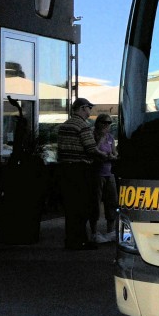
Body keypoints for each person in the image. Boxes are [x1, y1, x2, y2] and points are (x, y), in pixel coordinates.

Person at [56, 98, 101, 250]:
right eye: (89, 107)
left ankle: (71, 240)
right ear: (82, 108)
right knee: (83, 207)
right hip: (80, 170)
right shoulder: (83, 126)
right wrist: (107, 156)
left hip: (65, 169)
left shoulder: (64, 126)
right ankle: (81, 240)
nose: (90, 110)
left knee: (71, 207)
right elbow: (91, 149)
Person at [92, 114, 118, 244]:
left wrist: (113, 156)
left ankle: (110, 231)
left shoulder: (110, 137)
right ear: (99, 123)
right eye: (105, 123)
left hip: (109, 171)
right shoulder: (94, 136)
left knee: (112, 201)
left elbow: (114, 152)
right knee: (96, 202)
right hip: (98, 173)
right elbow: (93, 151)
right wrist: (101, 139)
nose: (107, 126)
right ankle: (94, 231)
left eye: (109, 123)